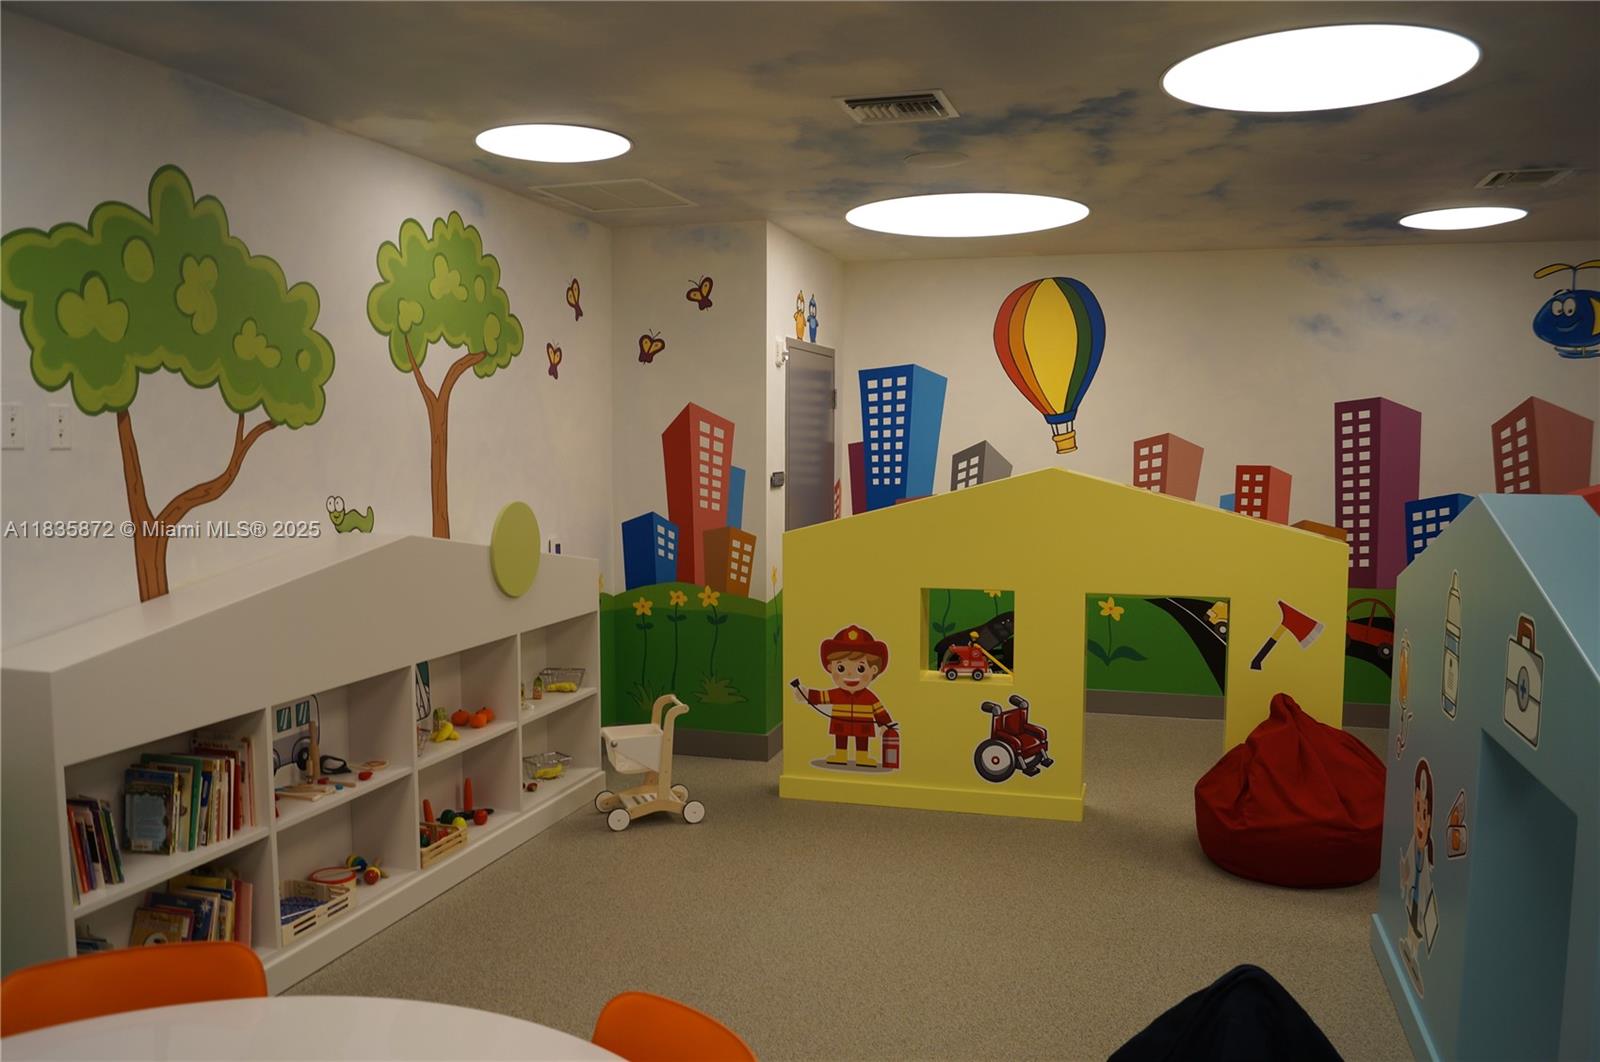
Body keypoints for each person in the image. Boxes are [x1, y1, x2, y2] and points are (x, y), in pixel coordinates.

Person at [791, 624, 893, 767]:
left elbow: (879, 711)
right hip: (841, 723)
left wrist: (885, 725)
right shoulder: (837, 693)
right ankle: (840, 755)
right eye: (841, 668)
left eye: (860, 668)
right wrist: (806, 694)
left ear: (874, 669)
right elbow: (822, 696)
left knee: (862, 740)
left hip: (862, 725)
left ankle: (862, 757)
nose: (850, 674)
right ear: (830, 668)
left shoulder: (869, 697)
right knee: (841, 738)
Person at [1399, 757, 1437, 990]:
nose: (1420, 822)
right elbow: (1406, 867)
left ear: (1430, 819)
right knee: (1411, 927)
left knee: (1417, 930)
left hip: (1418, 901)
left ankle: (1414, 956)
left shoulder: (1426, 861)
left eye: (1425, 814)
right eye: (1417, 809)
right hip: (1412, 897)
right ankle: (1409, 951)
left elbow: (1426, 888)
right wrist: (1404, 873)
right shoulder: (1414, 847)